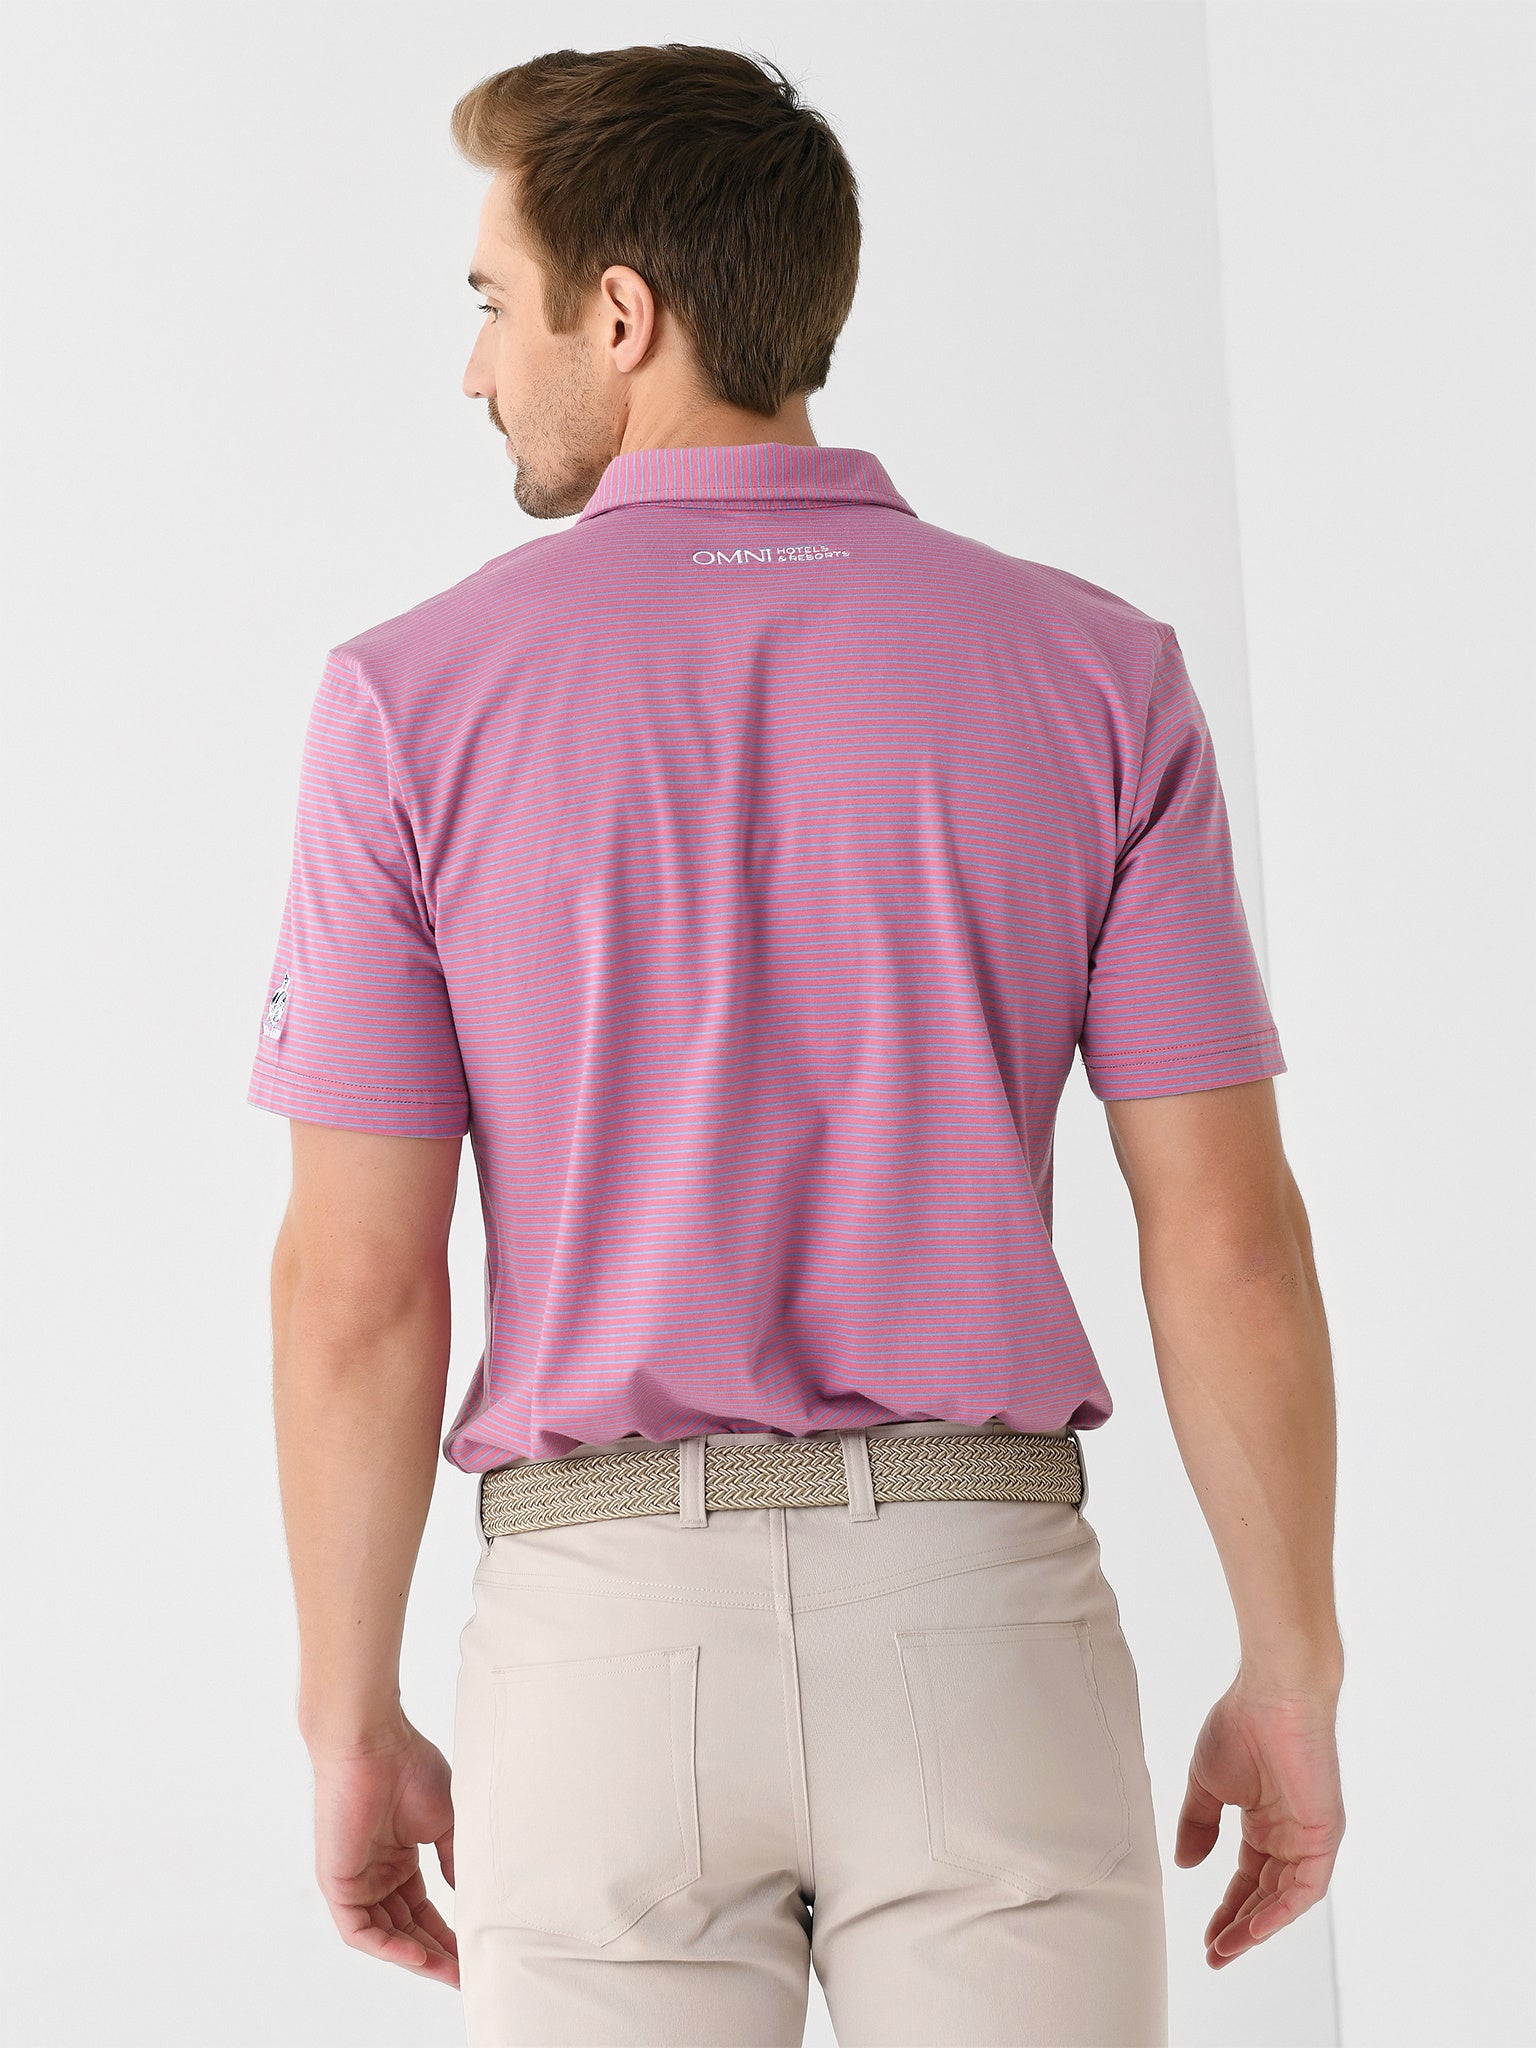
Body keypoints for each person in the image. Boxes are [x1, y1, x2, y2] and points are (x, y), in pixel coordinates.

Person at [247, 41, 1345, 2048]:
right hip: (981, 1622)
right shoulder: (1097, 676)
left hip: (598, 1648)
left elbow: (355, 1286)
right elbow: (1227, 1237)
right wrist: (1292, 1669)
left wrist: (349, 1718)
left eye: (493, 302)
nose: (476, 368)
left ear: (622, 315)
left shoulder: (410, 703)